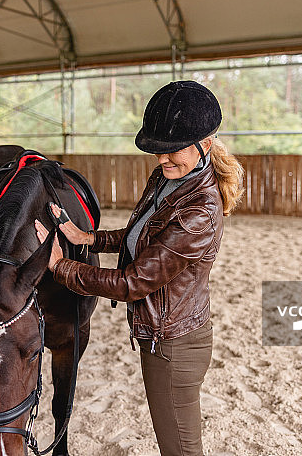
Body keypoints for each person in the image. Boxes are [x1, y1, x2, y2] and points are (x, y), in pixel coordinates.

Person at [34, 80, 244, 456]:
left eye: (170, 152)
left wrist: (60, 267)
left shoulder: (200, 210)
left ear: (205, 146)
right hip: (165, 337)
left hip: (174, 347)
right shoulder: (171, 178)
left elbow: (133, 282)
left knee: (180, 450)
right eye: (157, 152)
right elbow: (142, 236)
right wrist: (88, 239)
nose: (161, 160)